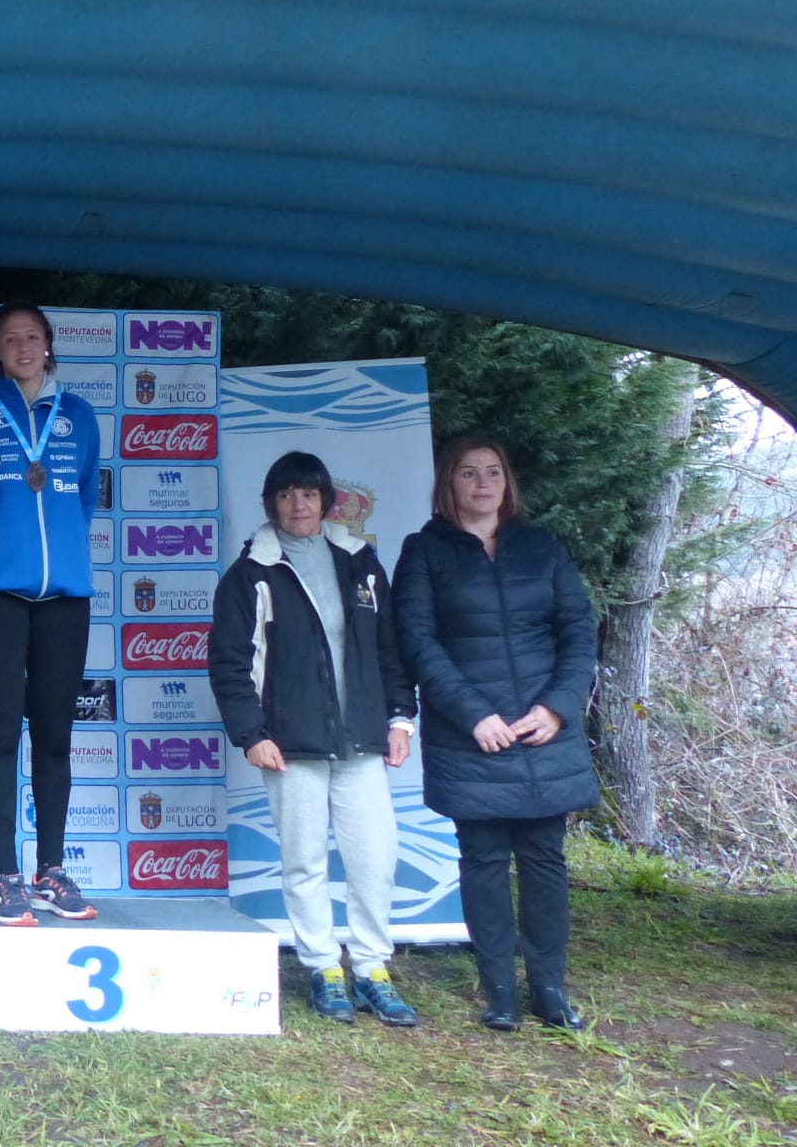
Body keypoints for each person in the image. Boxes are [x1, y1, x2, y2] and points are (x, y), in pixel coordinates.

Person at [392, 435, 599, 1031]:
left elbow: (578, 631)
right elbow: (418, 642)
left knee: (543, 858)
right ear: (448, 484)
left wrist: (557, 708)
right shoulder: (424, 551)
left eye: (492, 472)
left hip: (542, 730)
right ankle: (500, 991)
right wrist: (472, 715)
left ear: (507, 483)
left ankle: (550, 989)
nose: (482, 483)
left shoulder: (542, 547)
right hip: (470, 733)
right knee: (482, 859)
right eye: (467, 473)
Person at [209, 451, 420, 1026]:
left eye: (307, 493)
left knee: (375, 858)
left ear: (326, 502)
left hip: (361, 740)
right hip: (289, 744)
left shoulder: (361, 562)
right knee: (303, 860)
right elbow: (228, 665)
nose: (297, 504)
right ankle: (324, 967)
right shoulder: (249, 574)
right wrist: (251, 735)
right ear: (270, 503)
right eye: (285, 495)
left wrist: (401, 719)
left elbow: (390, 649)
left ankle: (372, 967)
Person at [0, 302, 102, 926]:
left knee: (56, 737)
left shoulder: (79, 417)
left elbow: (84, 500)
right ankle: (6, 877)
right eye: (11, 339)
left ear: (49, 346)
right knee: (2, 735)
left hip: (65, 596)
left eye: (33, 337)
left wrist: (56, 560)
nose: (23, 347)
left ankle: (51, 872)